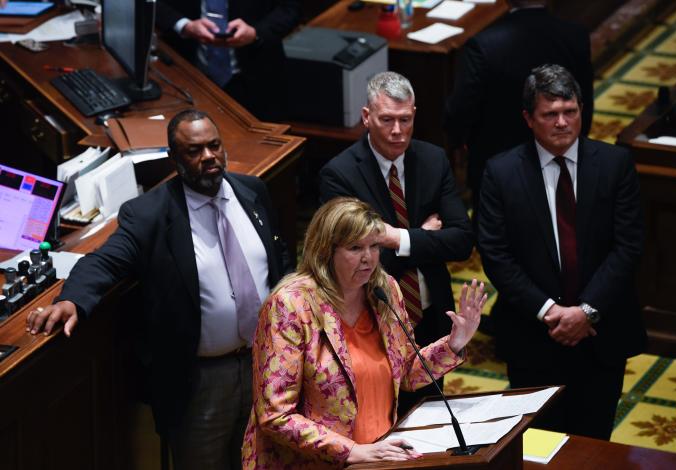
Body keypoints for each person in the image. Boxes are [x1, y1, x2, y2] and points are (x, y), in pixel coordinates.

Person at [25, 109, 292, 469]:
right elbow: (104, 261)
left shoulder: (252, 191)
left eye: (214, 146)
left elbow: (281, 260)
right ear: (175, 158)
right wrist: (72, 299)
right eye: (194, 151)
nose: (208, 157)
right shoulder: (149, 213)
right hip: (200, 382)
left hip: (266, 363)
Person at [242, 197, 486, 469]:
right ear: (325, 251)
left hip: (378, 457)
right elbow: (276, 414)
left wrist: (454, 343)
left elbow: (405, 372)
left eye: (374, 246)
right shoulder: (291, 306)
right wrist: (352, 451)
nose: (368, 258)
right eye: (355, 247)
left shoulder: (384, 291)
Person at [477, 64, 646, 440]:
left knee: (593, 441)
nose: (562, 122)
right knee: (537, 443)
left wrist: (586, 311)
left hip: (600, 335)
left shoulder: (615, 164)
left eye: (570, 111)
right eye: (549, 114)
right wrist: (550, 311)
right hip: (533, 336)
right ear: (528, 118)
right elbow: (496, 253)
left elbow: (628, 245)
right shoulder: (501, 173)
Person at [319, 71, 474, 415]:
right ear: (366, 117)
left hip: (432, 317)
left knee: (432, 419)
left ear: (414, 114)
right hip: (372, 321)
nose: (397, 131)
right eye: (386, 119)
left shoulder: (433, 160)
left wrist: (393, 238)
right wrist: (422, 236)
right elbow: (352, 265)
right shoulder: (339, 175)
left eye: (405, 120)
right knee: (381, 421)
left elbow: (462, 242)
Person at [443, 0, 593, 210]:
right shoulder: (575, 36)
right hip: (561, 160)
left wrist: (460, 142)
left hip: (496, 170)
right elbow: (585, 106)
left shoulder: (482, 45)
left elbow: (459, 112)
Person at [155, 1, 301, 121]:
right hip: (184, 76)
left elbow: (290, 8)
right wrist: (184, 25)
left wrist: (256, 33)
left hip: (257, 76)